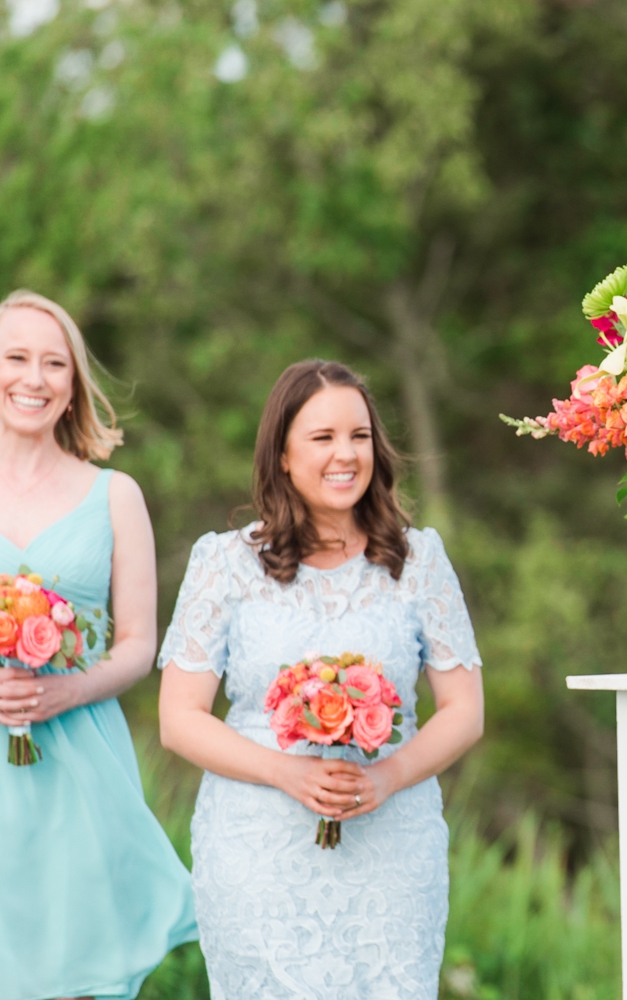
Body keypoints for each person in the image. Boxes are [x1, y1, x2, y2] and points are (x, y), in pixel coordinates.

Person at [157, 359, 484, 999]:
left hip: (392, 846)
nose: (346, 454)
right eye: (322, 437)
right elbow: (179, 719)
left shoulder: (419, 562)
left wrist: (387, 776)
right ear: (281, 454)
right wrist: (289, 771)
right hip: (258, 848)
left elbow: (464, 710)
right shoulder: (224, 563)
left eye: (359, 436)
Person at [0, 290, 197, 1000]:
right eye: (16, 357)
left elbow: (139, 644)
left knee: (72, 976)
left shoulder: (115, 496)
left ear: (73, 385)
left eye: (55, 363)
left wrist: (65, 689)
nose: (35, 377)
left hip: (78, 761)